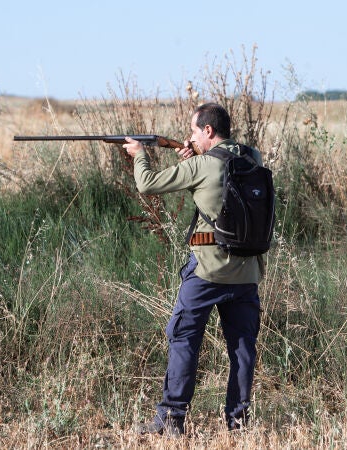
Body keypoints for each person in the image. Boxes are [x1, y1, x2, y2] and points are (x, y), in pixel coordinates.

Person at [123, 103, 264, 437]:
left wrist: (140, 153)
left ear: (208, 131)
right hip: (247, 272)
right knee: (242, 348)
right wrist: (193, 160)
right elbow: (220, 196)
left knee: (184, 339)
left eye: (193, 131)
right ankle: (239, 424)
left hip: (206, 271)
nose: (189, 136)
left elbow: (147, 184)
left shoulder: (203, 165)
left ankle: (172, 420)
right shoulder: (252, 157)